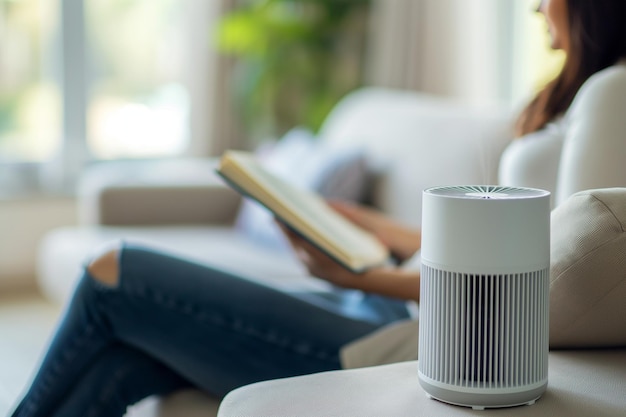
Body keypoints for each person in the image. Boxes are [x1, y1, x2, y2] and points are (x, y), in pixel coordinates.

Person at [10, 0, 626, 415]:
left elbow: (556, 287)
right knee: (127, 353)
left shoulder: (612, 96)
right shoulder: (586, 94)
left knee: (112, 272)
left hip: (414, 335)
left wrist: (362, 273)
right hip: (385, 304)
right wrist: (361, 225)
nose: (537, 6)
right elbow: (501, 245)